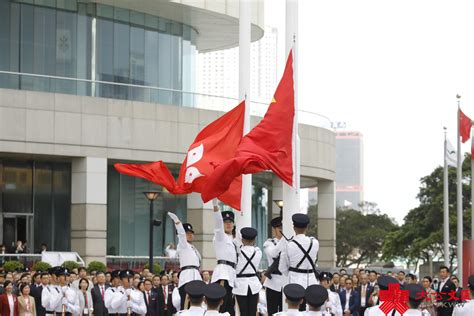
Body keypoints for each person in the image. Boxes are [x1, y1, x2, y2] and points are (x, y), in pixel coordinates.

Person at [279, 213, 319, 311]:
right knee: (310, 310)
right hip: (311, 280)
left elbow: (282, 268)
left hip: (295, 281)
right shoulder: (314, 242)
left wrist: (292, 271)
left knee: (295, 310)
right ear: (307, 227)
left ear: (294, 227)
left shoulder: (289, 245)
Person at [167, 212, 202, 310]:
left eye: (191, 233)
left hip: (196, 277)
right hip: (187, 277)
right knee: (186, 305)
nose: (190, 235)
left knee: (197, 306)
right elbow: (181, 234)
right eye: (188, 233)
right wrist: (177, 222)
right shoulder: (183, 245)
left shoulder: (193, 248)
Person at [211, 200, 237, 316]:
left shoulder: (235, 239)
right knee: (222, 307)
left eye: (230, 222)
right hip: (223, 275)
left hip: (233, 275)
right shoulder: (220, 236)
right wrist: (215, 207)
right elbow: (218, 224)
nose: (228, 224)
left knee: (231, 308)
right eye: (225, 222)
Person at [233, 227, 262, 316]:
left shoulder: (238, 252)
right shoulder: (258, 252)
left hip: (240, 284)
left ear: (242, 239)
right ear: (254, 239)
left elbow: (235, 242)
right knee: (253, 311)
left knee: (243, 311)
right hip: (254, 283)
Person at [263, 216, 286, 315]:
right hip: (273, 283)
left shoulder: (289, 242)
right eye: (279, 228)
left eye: (283, 227)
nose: (281, 230)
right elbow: (273, 253)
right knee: (272, 311)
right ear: (274, 229)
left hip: (285, 281)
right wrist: (284, 239)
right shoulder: (268, 243)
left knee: (284, 311)